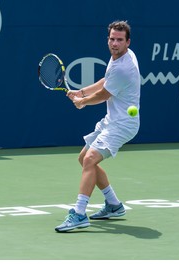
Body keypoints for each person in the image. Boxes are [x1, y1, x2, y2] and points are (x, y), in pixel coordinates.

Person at [55, 20, 141, 232]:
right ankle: (113, 204)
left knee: (90, 159)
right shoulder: (120, 57)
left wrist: (82, 102)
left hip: (123, 124)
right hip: (112, 120)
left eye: (119, 40)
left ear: (127, 42)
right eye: (112, 39)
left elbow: (104, 94)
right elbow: (105, 80)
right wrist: (81, 92)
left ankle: (79, 213)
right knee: (84, 159)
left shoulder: (124, 67)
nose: (114, 43)